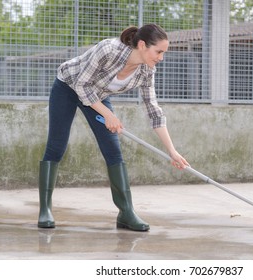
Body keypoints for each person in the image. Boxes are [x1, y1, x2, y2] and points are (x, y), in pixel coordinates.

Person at [38, 24, 189, 232]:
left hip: (97, 96)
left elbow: (153, 110)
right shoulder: (109, 49)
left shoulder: (147, 70)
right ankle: (45, 209)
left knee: (113, 150)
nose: (161, 58)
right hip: (69, 86)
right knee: (57, 145)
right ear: (143, 45)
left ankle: (126, 212)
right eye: (159, 52)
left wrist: (172, 151)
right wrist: (108, 114)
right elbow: (82, 85)